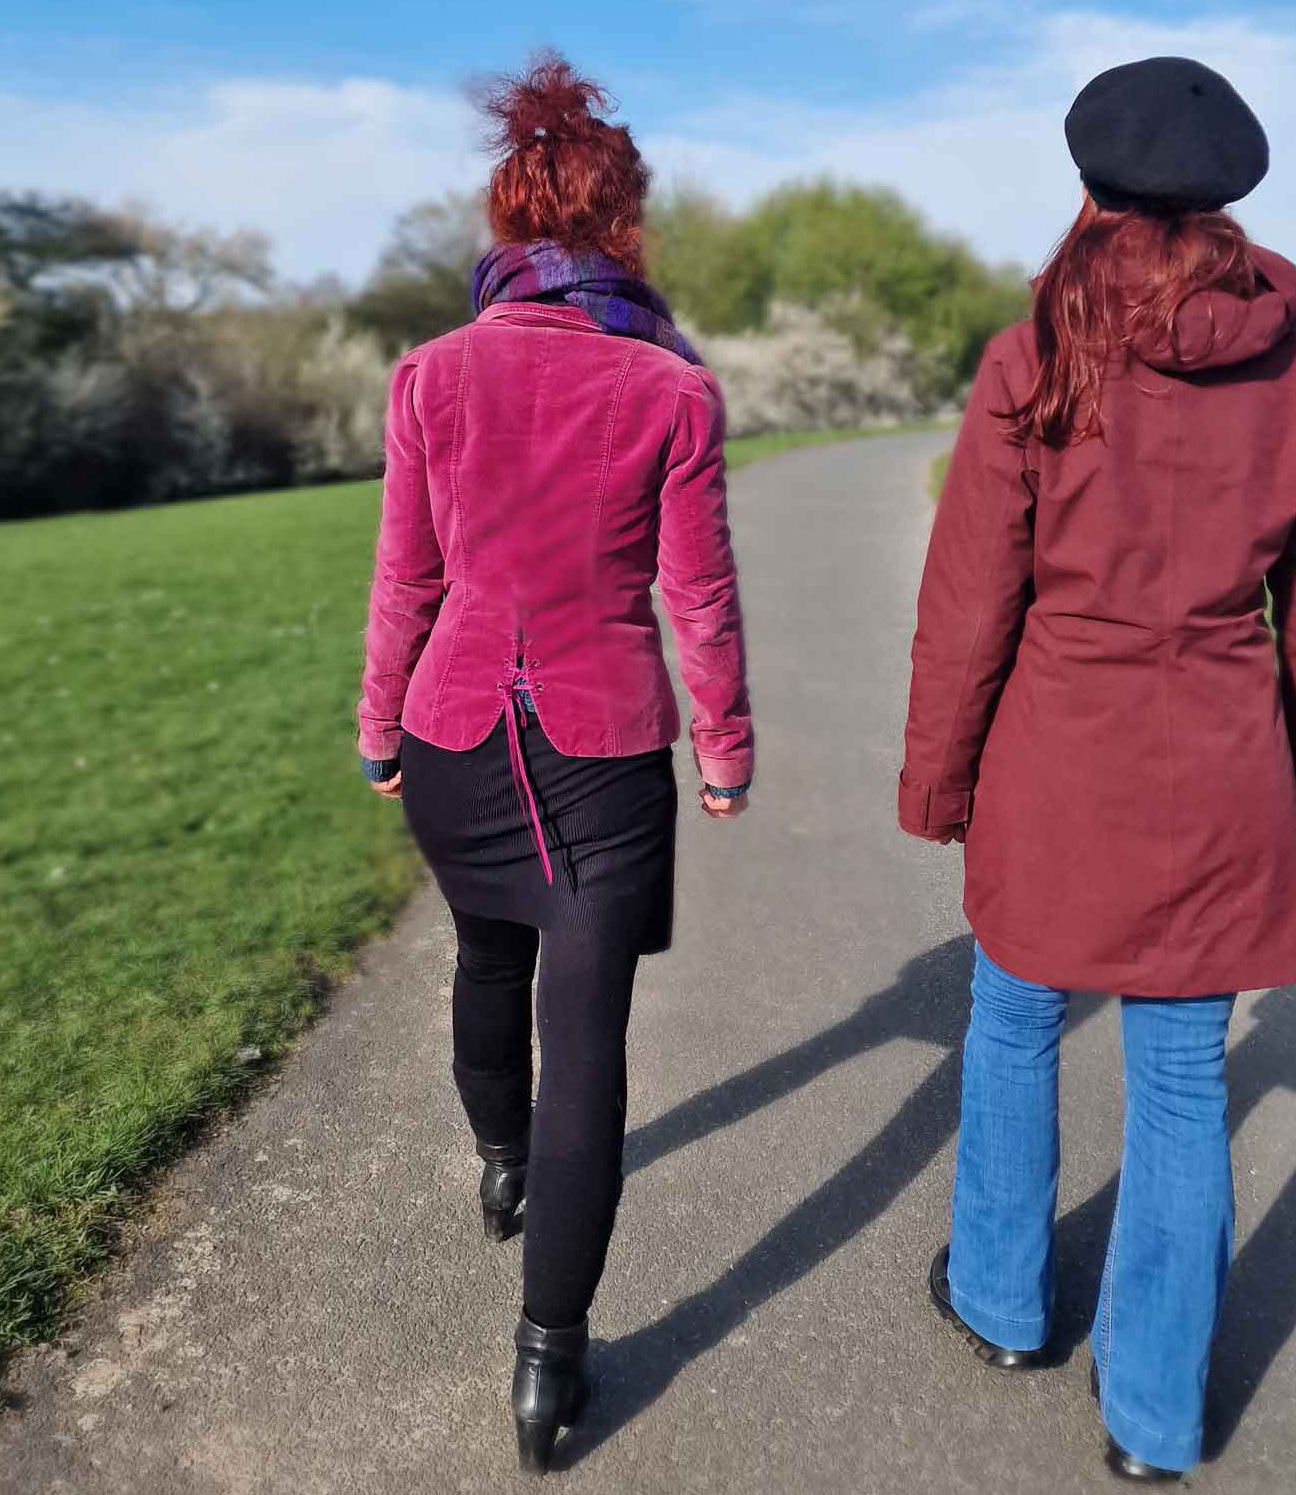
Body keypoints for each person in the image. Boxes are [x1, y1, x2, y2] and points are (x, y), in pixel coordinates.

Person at [899, 56, 1296, 1483]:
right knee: (1178, 1080)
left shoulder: (1037, 353)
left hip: (1058, 753)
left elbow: (972, 598)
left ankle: (1000, 1300)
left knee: (1015, 1018)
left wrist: (939, 783)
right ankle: (1153, 1414)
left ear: (1092, 188)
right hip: (1217, 764)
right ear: (1224, 200)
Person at [353, 51, 752, 1476]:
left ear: (509, 219)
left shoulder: (431, 375)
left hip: (454, 732)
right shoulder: (671, 390)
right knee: (589, 1042)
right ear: (622, 224)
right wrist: (726, 749)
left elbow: (406, 577)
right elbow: (698, 595)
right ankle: (549, 1360)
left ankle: (504, 1165)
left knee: (485, 956)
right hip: (602, 751)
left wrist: (378, 726)